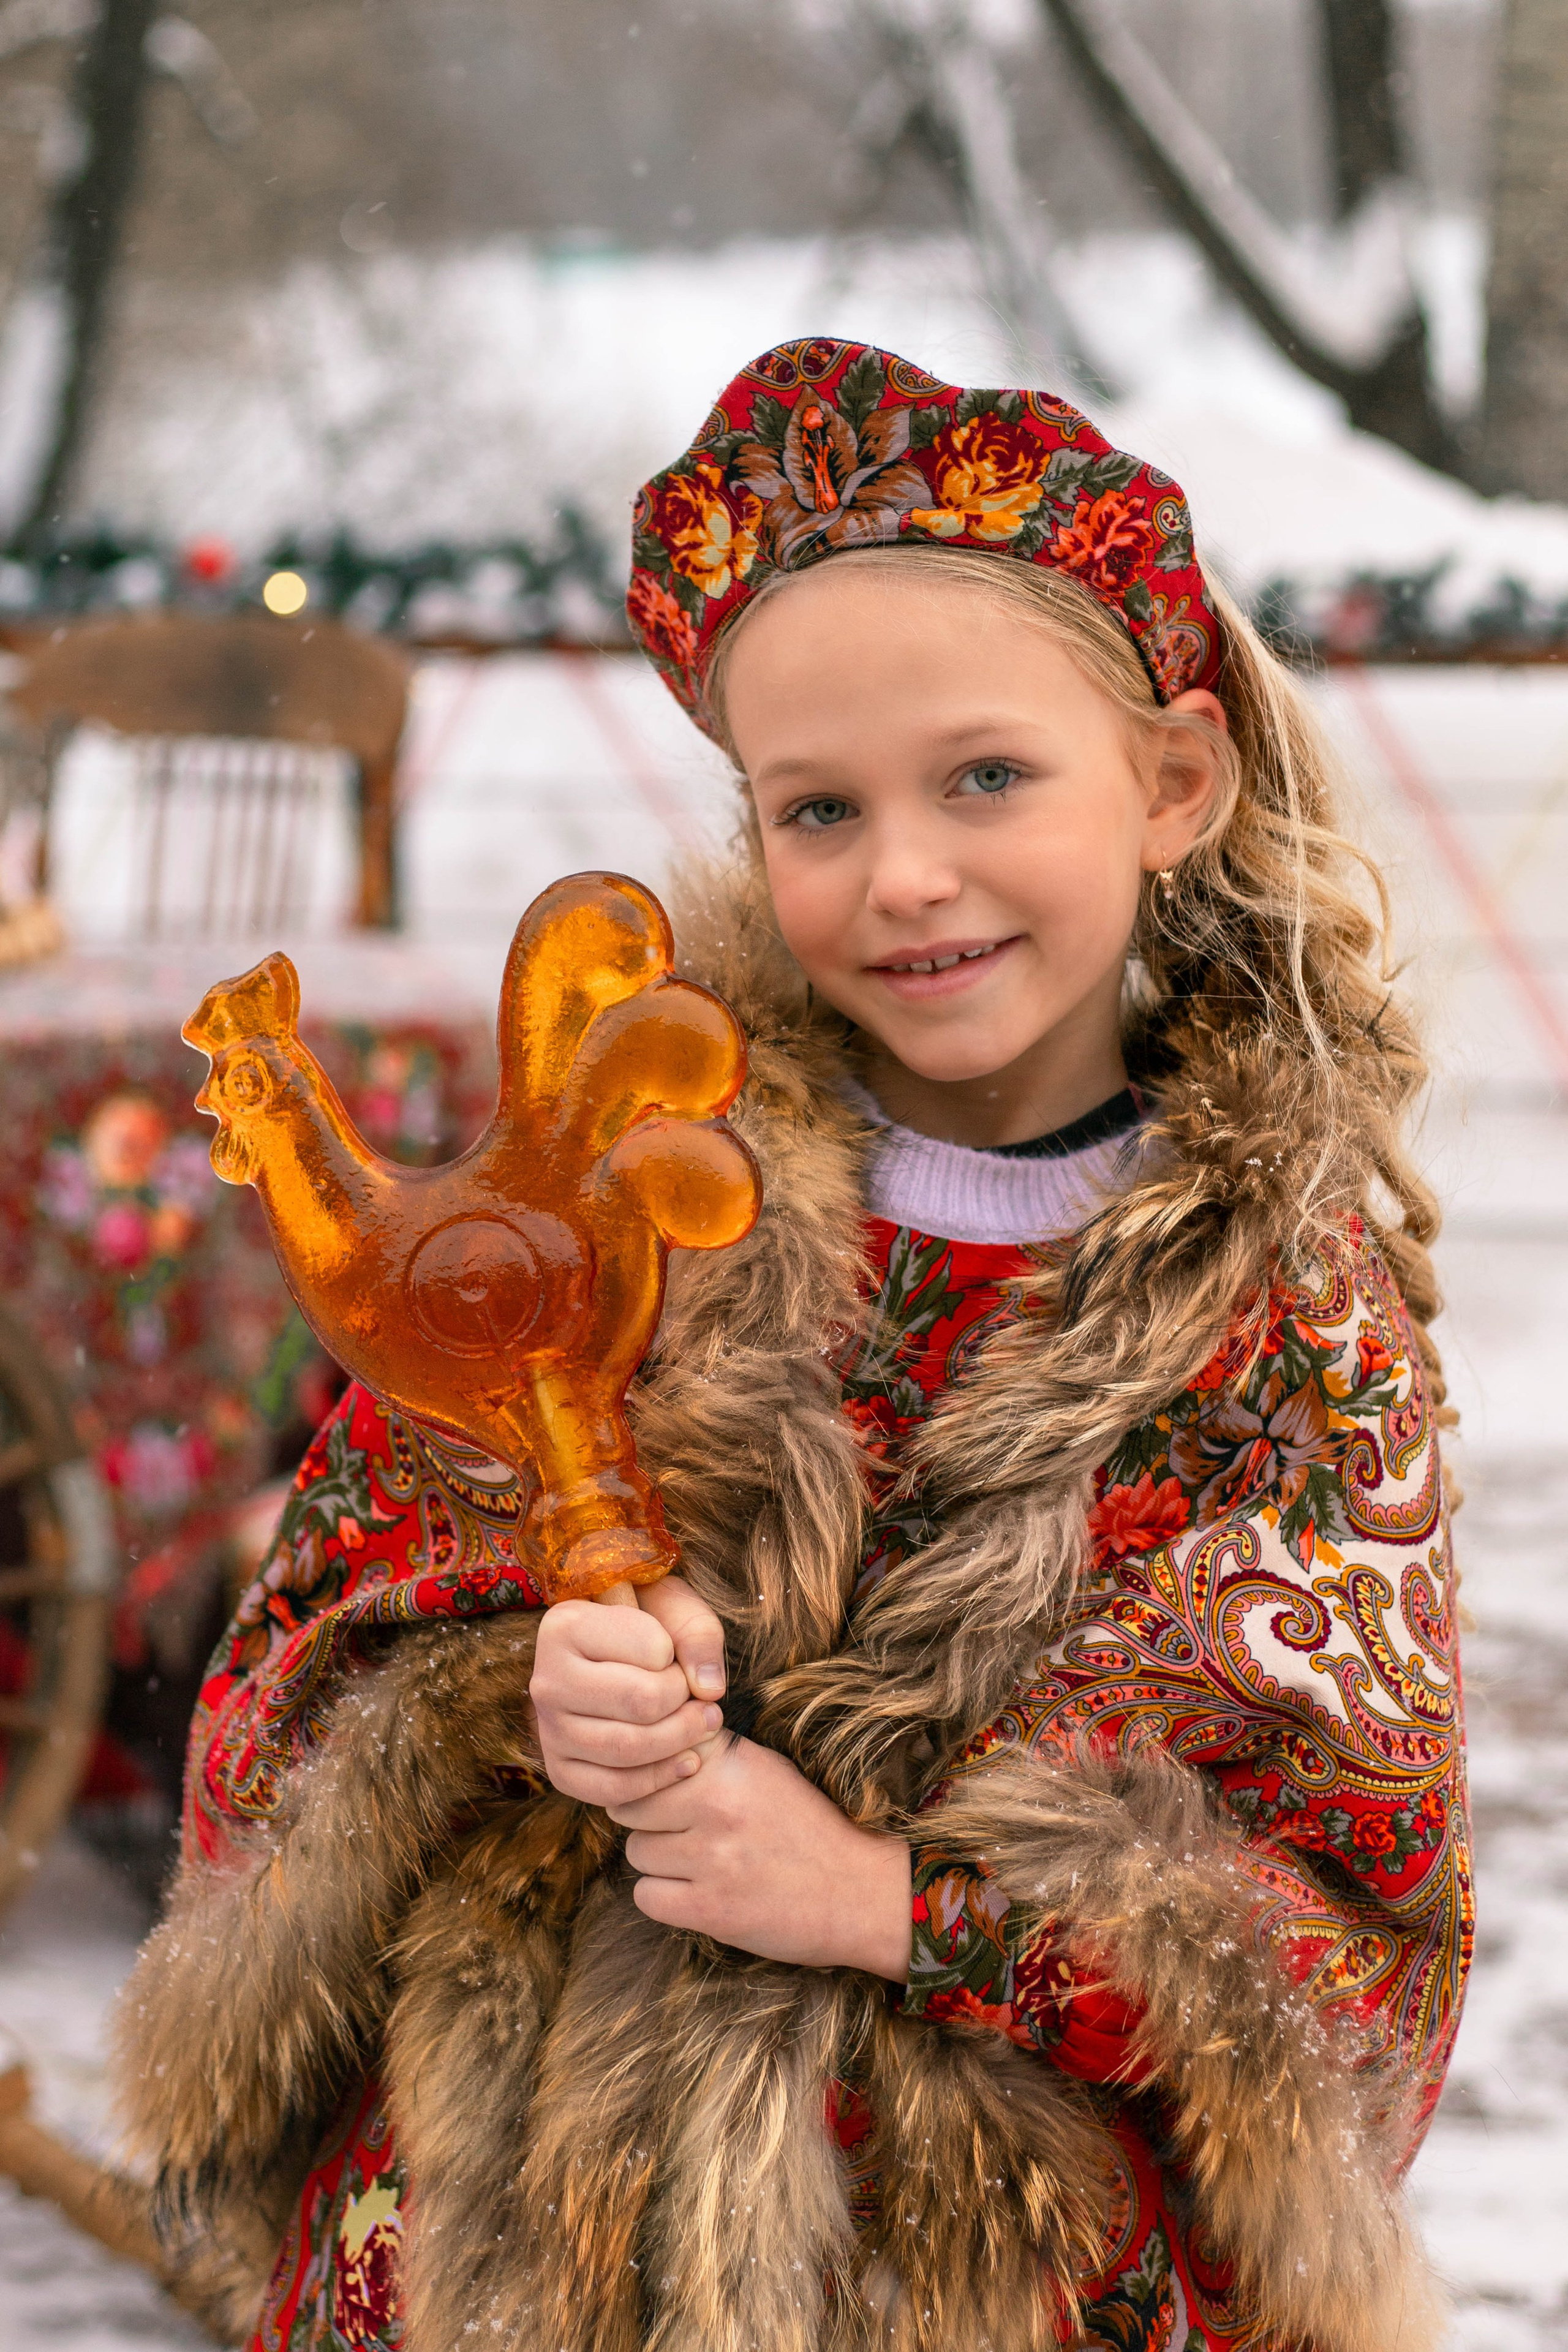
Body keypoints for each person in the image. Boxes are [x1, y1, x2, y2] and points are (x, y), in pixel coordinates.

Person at [114, 342, 1468, 2352]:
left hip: (993, 2243)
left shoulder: (1286, 1311)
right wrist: (528, 1689)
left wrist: (886, 1902)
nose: (905, 876)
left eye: (986, 777)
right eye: (821, 808)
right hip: (542, 2207)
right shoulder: (631, 1188)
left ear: (1174, 784)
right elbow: (327, 1631)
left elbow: (1348, 1944)